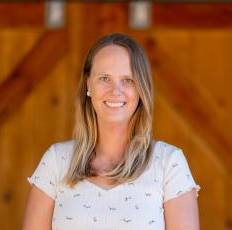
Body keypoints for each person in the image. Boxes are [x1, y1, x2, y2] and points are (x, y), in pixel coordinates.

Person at [22, 33, 200, 230]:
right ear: (88, 84)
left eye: (127, 80)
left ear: (141, 89)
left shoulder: (169, 163)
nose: (116, 91)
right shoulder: (56, 161)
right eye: (104, 78)